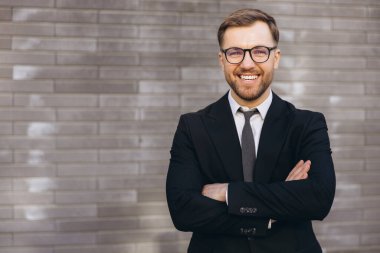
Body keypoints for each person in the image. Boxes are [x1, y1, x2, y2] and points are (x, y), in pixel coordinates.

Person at [166, 8, 335, 253]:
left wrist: (228, 192)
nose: (247, 63)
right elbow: (183, 211)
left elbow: (318, 199)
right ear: (222, 59)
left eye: (259, 51)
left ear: (276, 58)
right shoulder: (192, 127)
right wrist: (275, 209)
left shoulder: (307, 125)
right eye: (235, 52)